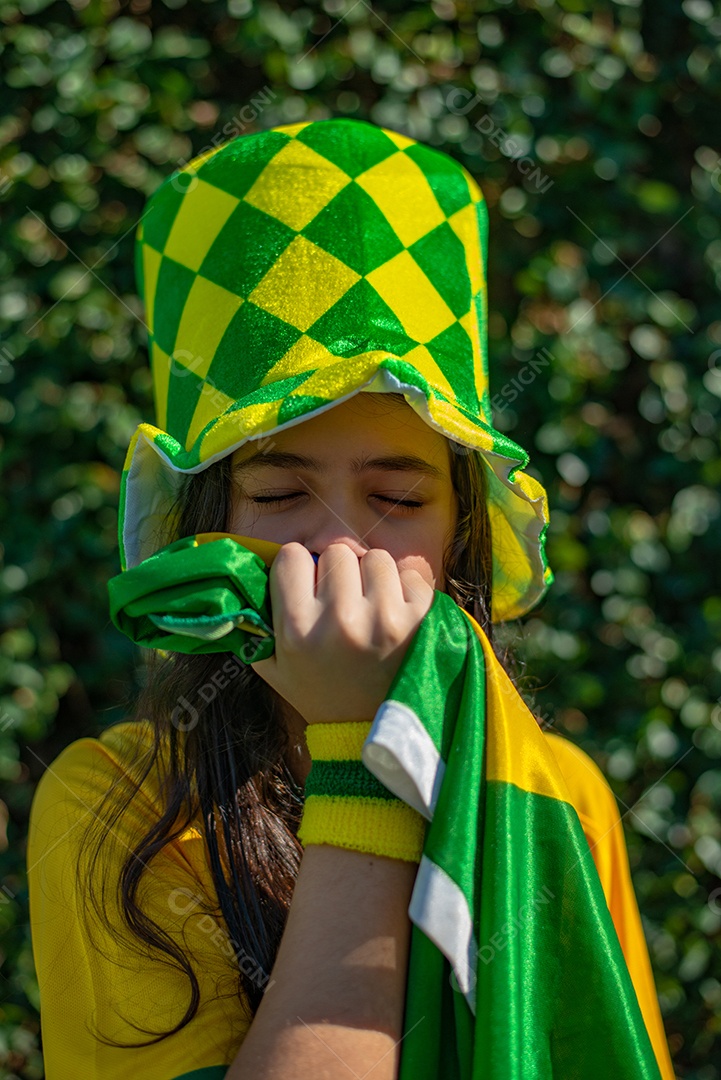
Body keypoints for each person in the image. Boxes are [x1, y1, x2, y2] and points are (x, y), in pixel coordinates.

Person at [26, 117, 675, 1080]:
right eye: (277, 494)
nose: (338, 547)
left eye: (399, 500)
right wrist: (362, 757)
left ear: (459, 533)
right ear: (208, 526)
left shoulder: (557, 790)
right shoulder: (118, 806)